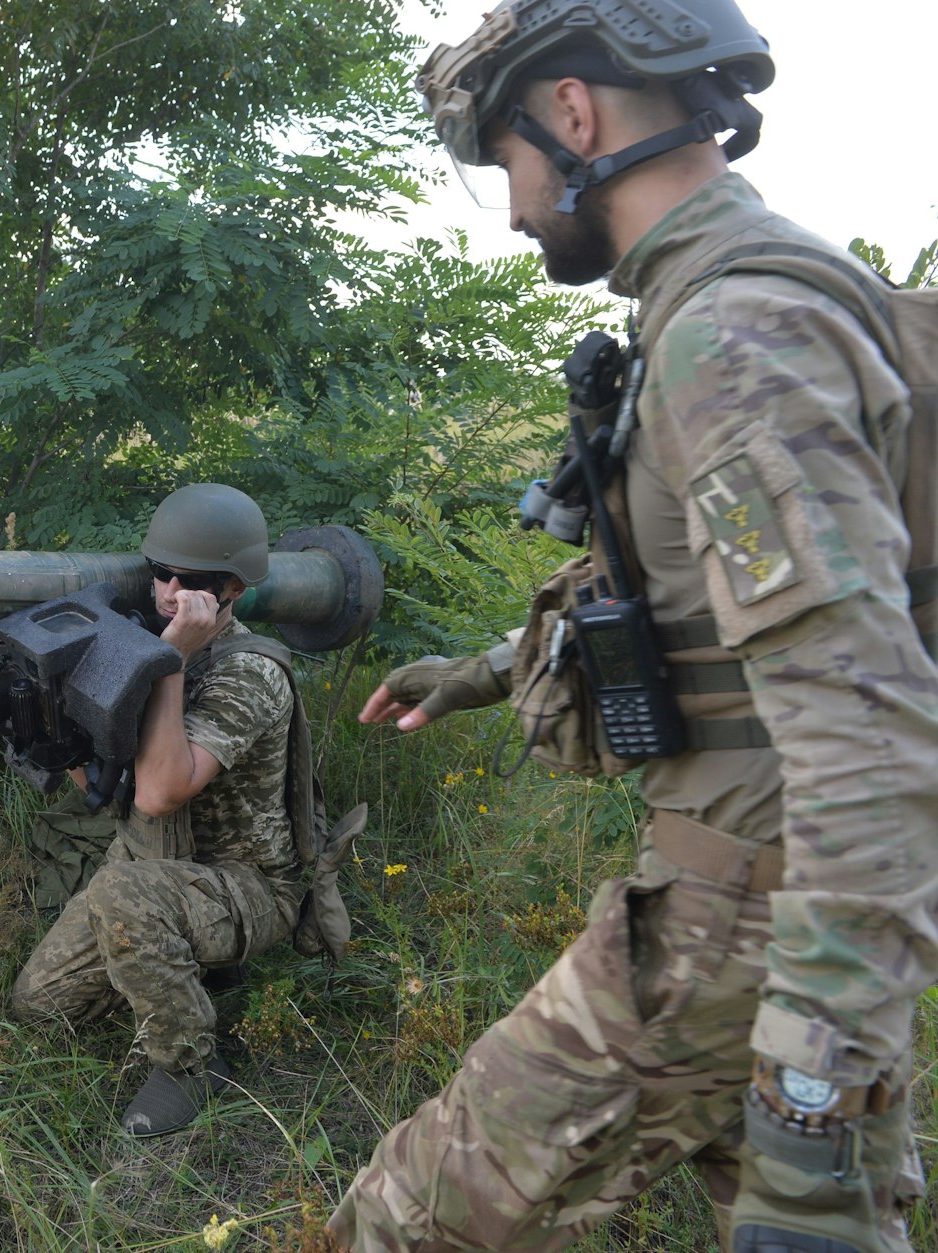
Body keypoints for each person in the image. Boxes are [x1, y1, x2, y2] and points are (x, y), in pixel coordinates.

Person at [328, 3, 935, 1252]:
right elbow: (702, 610)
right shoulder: (724, 309)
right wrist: (484, 671)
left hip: (744, 923)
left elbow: (869, 738)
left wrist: (814, 1111)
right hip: (762, 912)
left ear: (569, 113)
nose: (509, 211)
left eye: (503, 165)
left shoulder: (732, 334)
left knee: (399, 1219)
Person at [10, 483, 303, 1137]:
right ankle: (183, 965)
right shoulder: (144, 637)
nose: (170, 591)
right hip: (150, 862)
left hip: (244, 884)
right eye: (160, 573)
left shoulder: (250, 673)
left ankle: (191, 1063)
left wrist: (171, 658)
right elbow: (110, 782)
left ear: (232, 586)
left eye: (191, 579)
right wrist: (48, 727)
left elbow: (160, 790)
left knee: (123, 894)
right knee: (40, 1004)